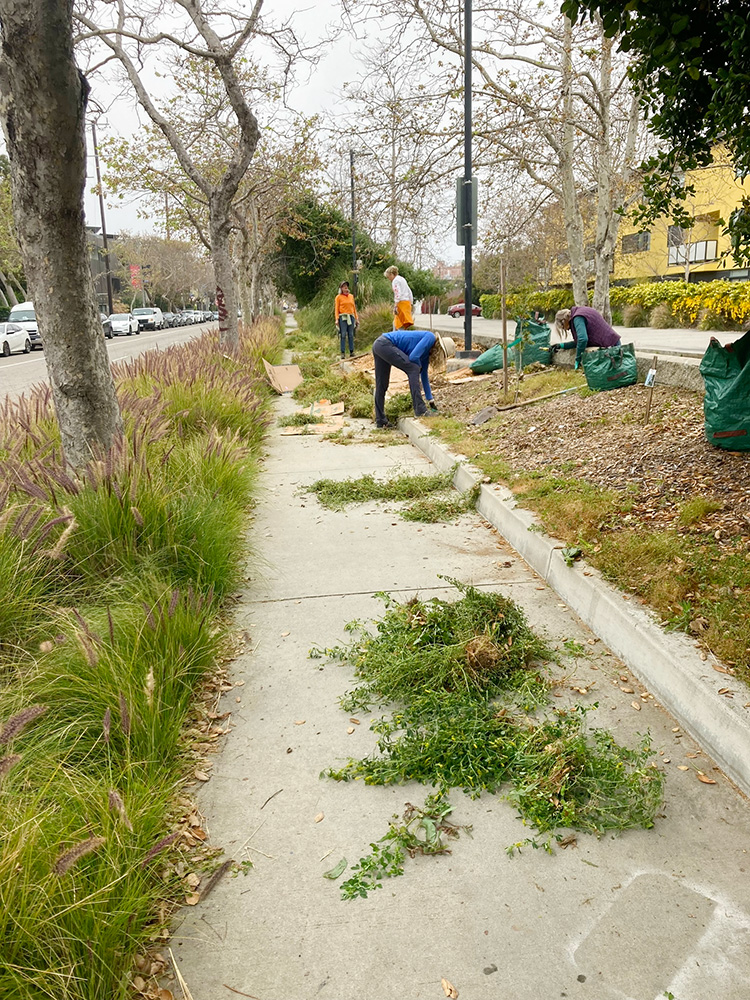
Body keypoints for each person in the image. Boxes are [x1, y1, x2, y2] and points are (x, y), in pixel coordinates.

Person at [372, 328, 441, 428]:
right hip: (385, 344)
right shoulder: (430, 337)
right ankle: (420, 410)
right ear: (438, 348)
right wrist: (418, 367)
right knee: (413, 368)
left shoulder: (425, 354)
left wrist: (431, 401)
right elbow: (413, 357)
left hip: (378, 345)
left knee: (382, 384)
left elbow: (424, 376)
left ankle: (381, 421)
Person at [554, 305, 621, 369]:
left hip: (611, 347)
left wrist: (578, 359)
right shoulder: (579, 312)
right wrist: (561, 345)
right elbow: (580, 342)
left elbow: (582, 340)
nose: (566, 330)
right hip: (613, 342)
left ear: (564, 321)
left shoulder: (577, 318)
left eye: (563, 327)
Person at [384, 265, 414, 330]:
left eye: (388, 277)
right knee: (401, 323)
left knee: (398, 324)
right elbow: (409, 291)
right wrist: (411, 302)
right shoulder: (402, 279)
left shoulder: (395, 281)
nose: (389, 279)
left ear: (392, 274)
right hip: (407, 303)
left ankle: (397, 336)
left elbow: (398, 294)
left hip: (401, 303)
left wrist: (395, 306)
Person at [334, 281, 358, 359]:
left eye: (346, 286)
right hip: (343, 317)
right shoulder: (338, 297)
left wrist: (356, 318)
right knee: (343, 334)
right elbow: (336, 309)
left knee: (351, 334)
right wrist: (337, 319)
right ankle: (342, 352)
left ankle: (351, 351)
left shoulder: (351, 296)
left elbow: (354, 308)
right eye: (344, 286)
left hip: (351, 316)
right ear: (341, 288)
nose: (346, 287)